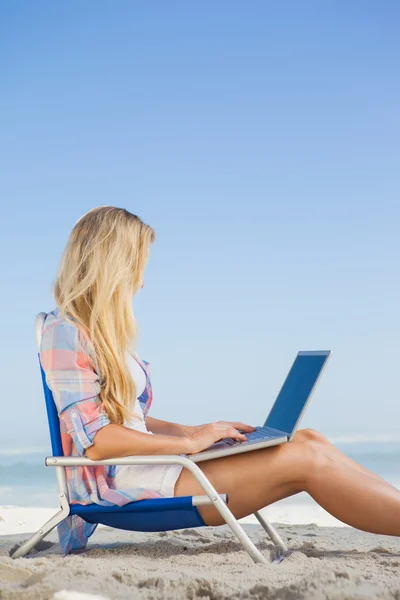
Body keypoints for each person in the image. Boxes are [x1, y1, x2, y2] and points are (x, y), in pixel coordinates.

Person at [40, 205, 400, 554]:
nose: (142, 281)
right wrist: (191, 444)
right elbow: (98, 442)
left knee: (310, 439)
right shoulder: (65, 332)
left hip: (156, 465)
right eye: (137, 266)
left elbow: (124, 416)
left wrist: (191, 431)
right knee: (308, 459)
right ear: (113, 267)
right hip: (129, 482)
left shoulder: (99, 334)